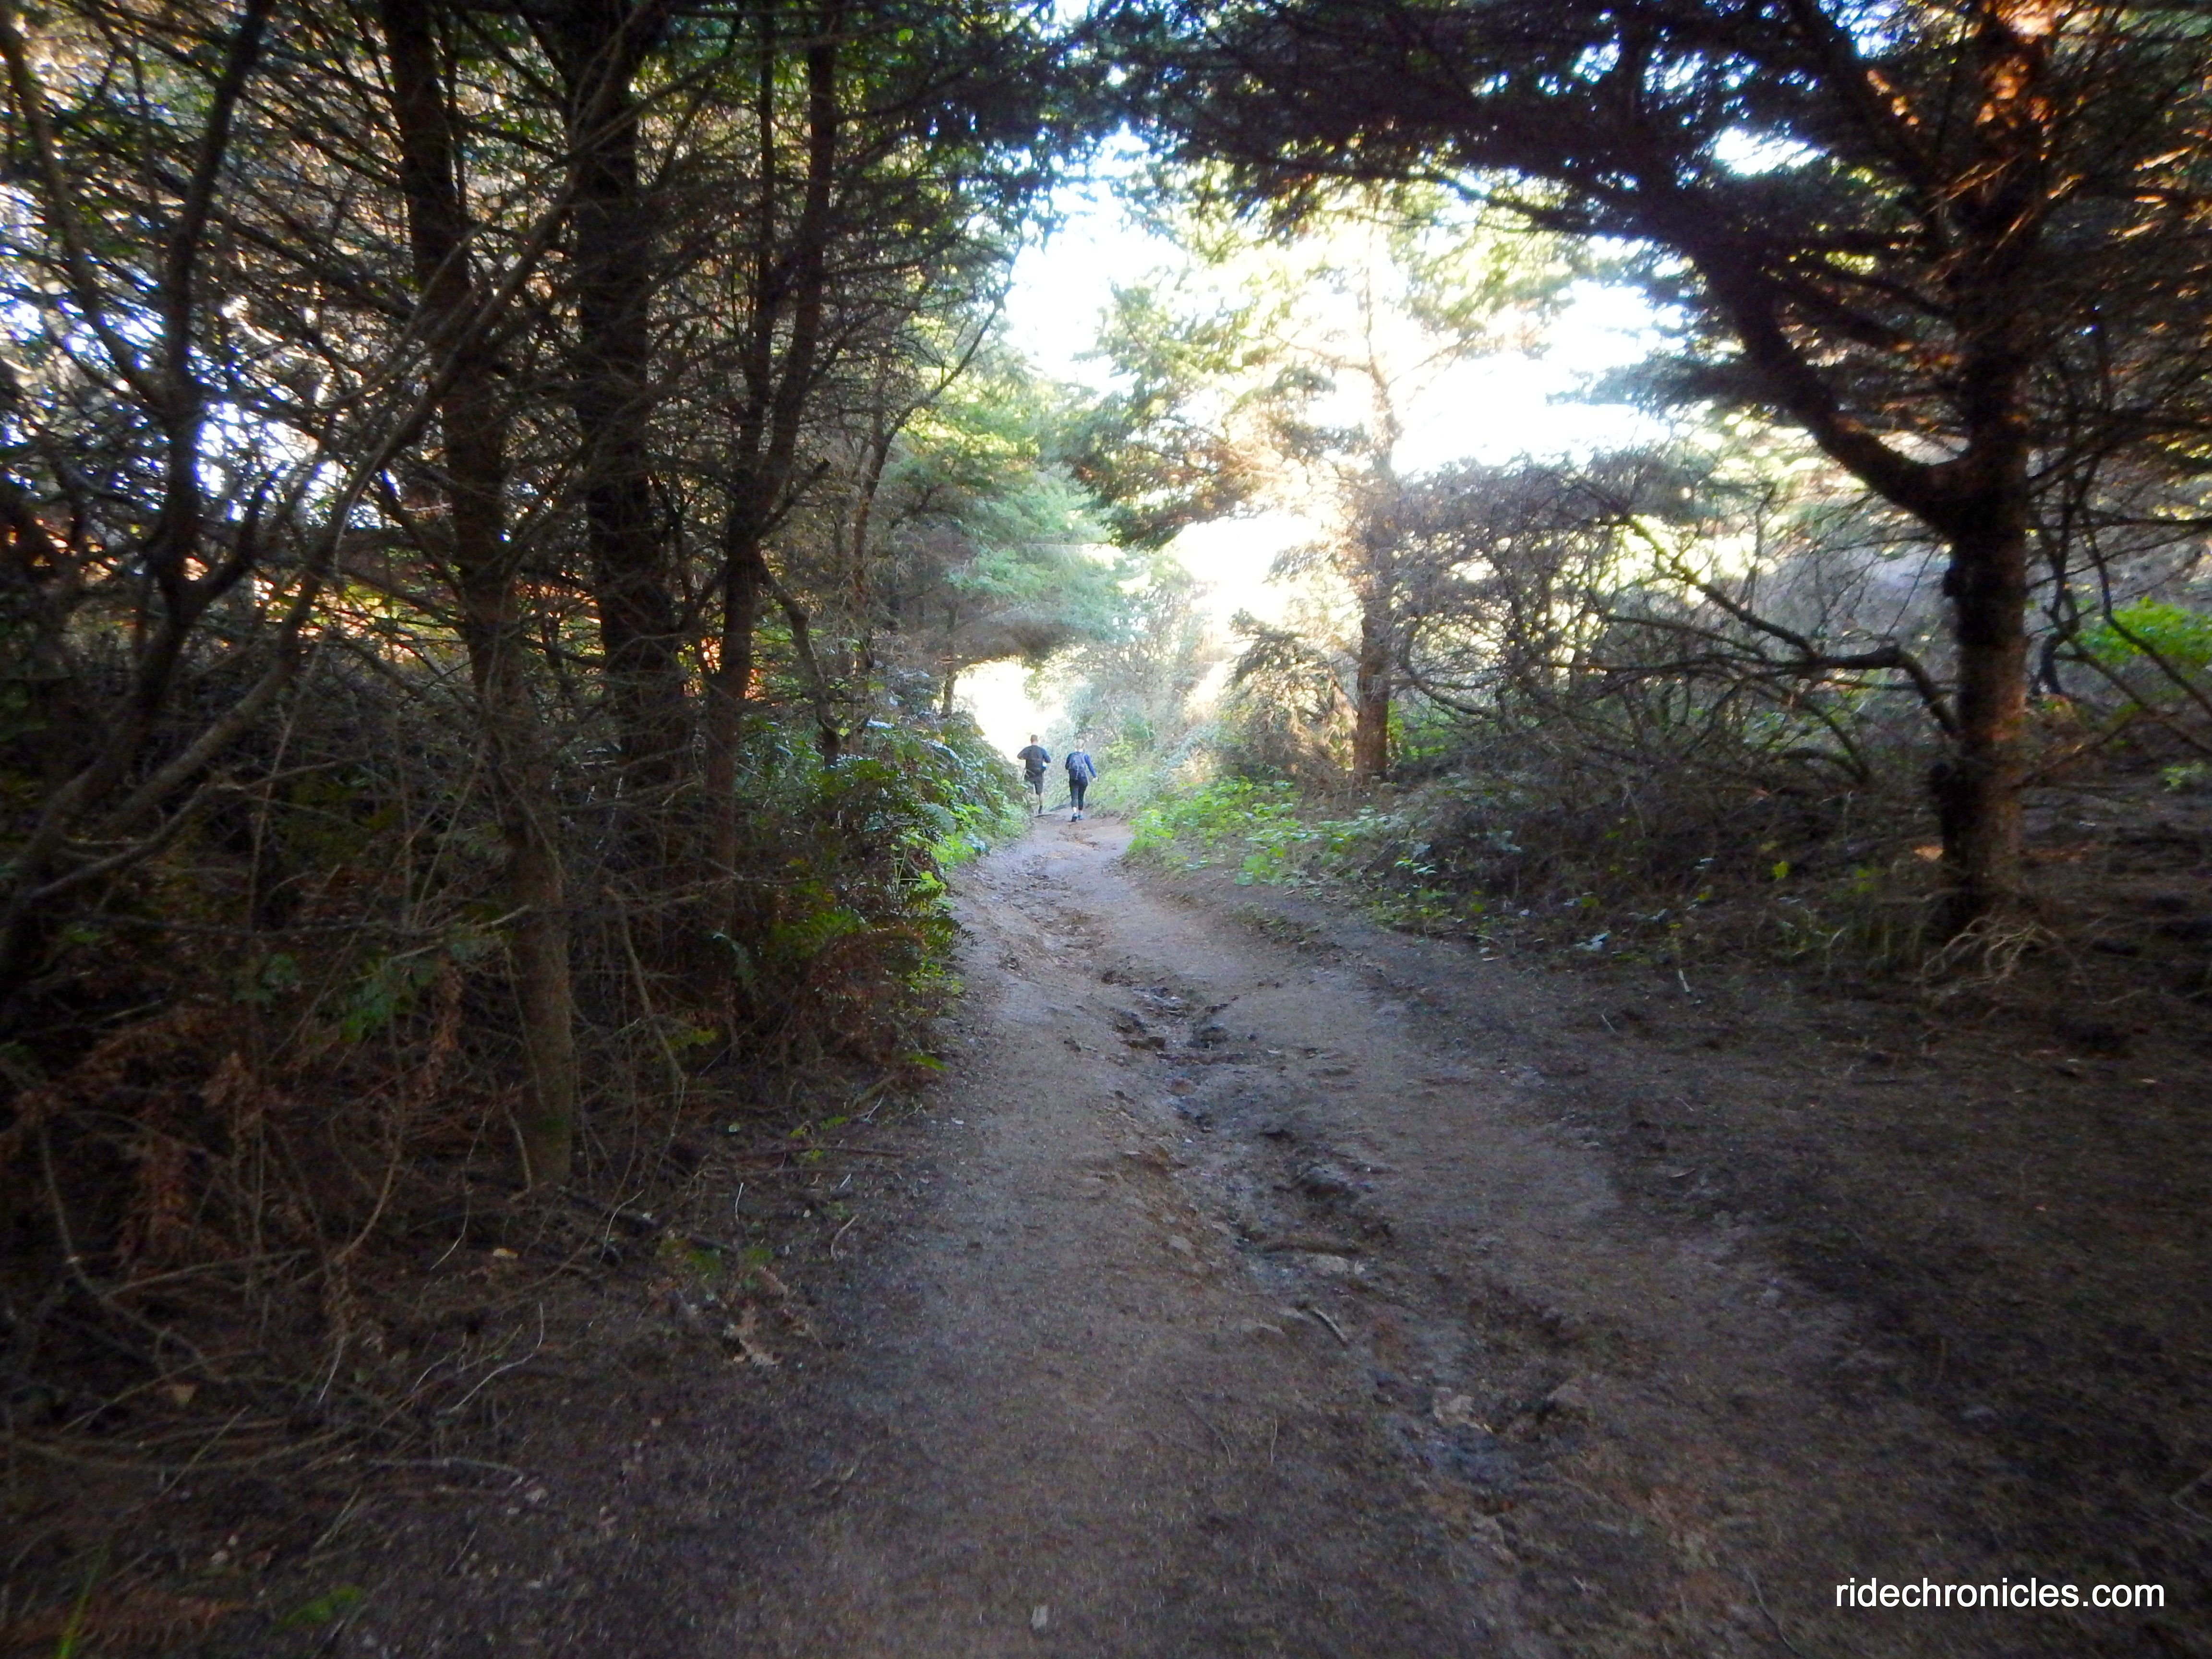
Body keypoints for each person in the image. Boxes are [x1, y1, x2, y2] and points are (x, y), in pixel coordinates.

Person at [1015, 734, 1050, 814]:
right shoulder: (1042, 750)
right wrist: (1043, 765)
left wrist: (1026, 758)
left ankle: (1031, 809)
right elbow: (1048, 760)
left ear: (1031, 741)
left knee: (1029, 792)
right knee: (1040, 792)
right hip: (1039, 774)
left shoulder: (1028, 750)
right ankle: (1041, 808)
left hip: (1029, 773)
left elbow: (1019, 756)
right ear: (1037, 741)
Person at [1064, 743, 1096, 820]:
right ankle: (1080, 814)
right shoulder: (1086, 756)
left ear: (1075, 746)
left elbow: (1067, 767)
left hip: (1073, 778)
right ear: (1083, 747)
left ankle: (1074, 813)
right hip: (1083, 779)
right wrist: (1095, 776)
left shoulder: (1071, 756)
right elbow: (1090, 767)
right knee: (1081, 796)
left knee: (1074, 796)